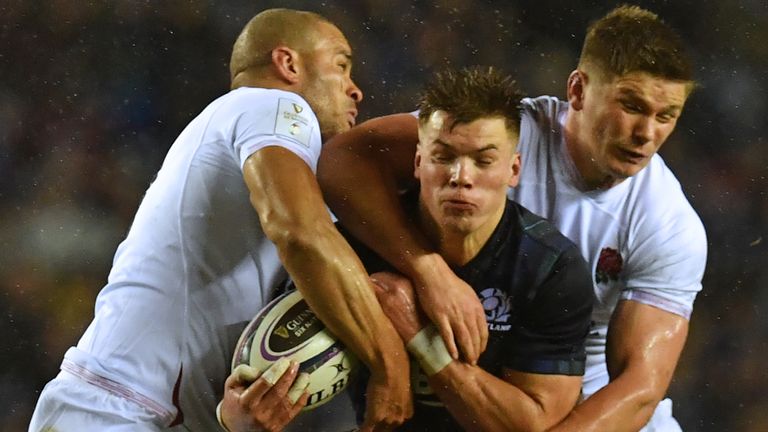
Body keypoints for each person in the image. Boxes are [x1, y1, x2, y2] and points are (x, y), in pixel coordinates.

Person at [317, 5, 707, 432]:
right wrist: (426, 269)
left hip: (582, 414)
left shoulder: (668, 224)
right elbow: (344, 160)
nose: (647, 133)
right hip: (478, 400)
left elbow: (640, 388)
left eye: (665, 116)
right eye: (631, 105)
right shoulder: (496, 137)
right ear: (577, 90)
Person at [29, 8, 420, 432]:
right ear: (288, 64)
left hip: (143, 412)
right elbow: (299, 233)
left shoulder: (277, 157)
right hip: (114, 408)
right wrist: (389, 359)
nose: (355, 89)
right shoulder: (273, 104)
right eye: (341, 66)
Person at [341, 66, 594, 431]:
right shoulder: (354, 248)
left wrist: (421, 337)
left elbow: (528, 425)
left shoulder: (551, 268)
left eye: (483, 160)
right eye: (444, 157)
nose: (461, 177)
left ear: (514, 170)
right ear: (418, 163)